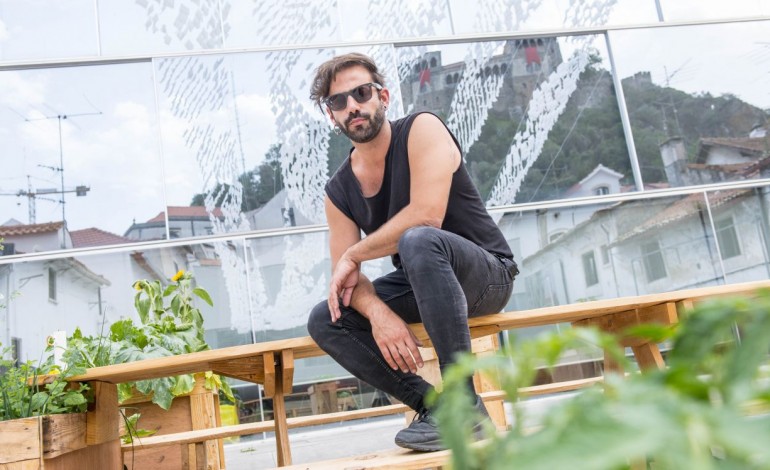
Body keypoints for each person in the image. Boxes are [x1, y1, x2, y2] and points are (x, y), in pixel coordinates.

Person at [306, 52, 518, 452]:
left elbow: (427, 215)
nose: (352, 105)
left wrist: (354, 254)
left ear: (382, 97)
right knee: (326, 318)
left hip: (487, 274)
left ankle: (465, 403)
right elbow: (346, 279)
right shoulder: (338, 192)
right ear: (331, 115)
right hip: (424, 282)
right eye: (338, 101)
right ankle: (437, 409)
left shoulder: (422, 129)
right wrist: (378, 312)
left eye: (361, 93)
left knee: (418, 239)